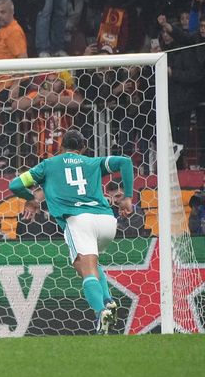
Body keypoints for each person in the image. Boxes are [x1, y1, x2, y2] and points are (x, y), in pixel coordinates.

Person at [8, 130, 134, 334]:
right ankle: (108, 300)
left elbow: (15, 184)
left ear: (61, 147)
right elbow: (125, 162)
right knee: (89, 263)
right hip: (107, 221)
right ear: (83, 147)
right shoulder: (93, 163)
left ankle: (101, 312)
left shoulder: (48, 165)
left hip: (78, 220)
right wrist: (128, 196)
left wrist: (31, 200)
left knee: (86, 269)